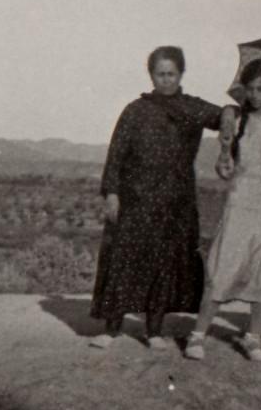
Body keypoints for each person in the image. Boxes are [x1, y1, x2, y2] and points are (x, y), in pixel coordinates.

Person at [89, 46, 237, 350]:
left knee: (162, 263)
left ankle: (154, 330)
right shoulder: (135, 110)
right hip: (135, 197)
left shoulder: (193, 108)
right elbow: (116, 153)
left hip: (174, 200)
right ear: (151, 75)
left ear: (181, 74)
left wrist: (228, 124)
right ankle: (112, 327)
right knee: (123, 259)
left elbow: (225, 114)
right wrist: (112, 193)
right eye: (160, 74)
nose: (166, 80)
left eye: (171, 74)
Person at [184, 59, 261, 362]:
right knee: (224, 264)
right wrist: (225, 164)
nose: (254, 95)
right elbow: (225, 166)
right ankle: (198, 333)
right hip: (241, 199)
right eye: (250, 89)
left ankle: (253, 336)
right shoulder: (235, 119)